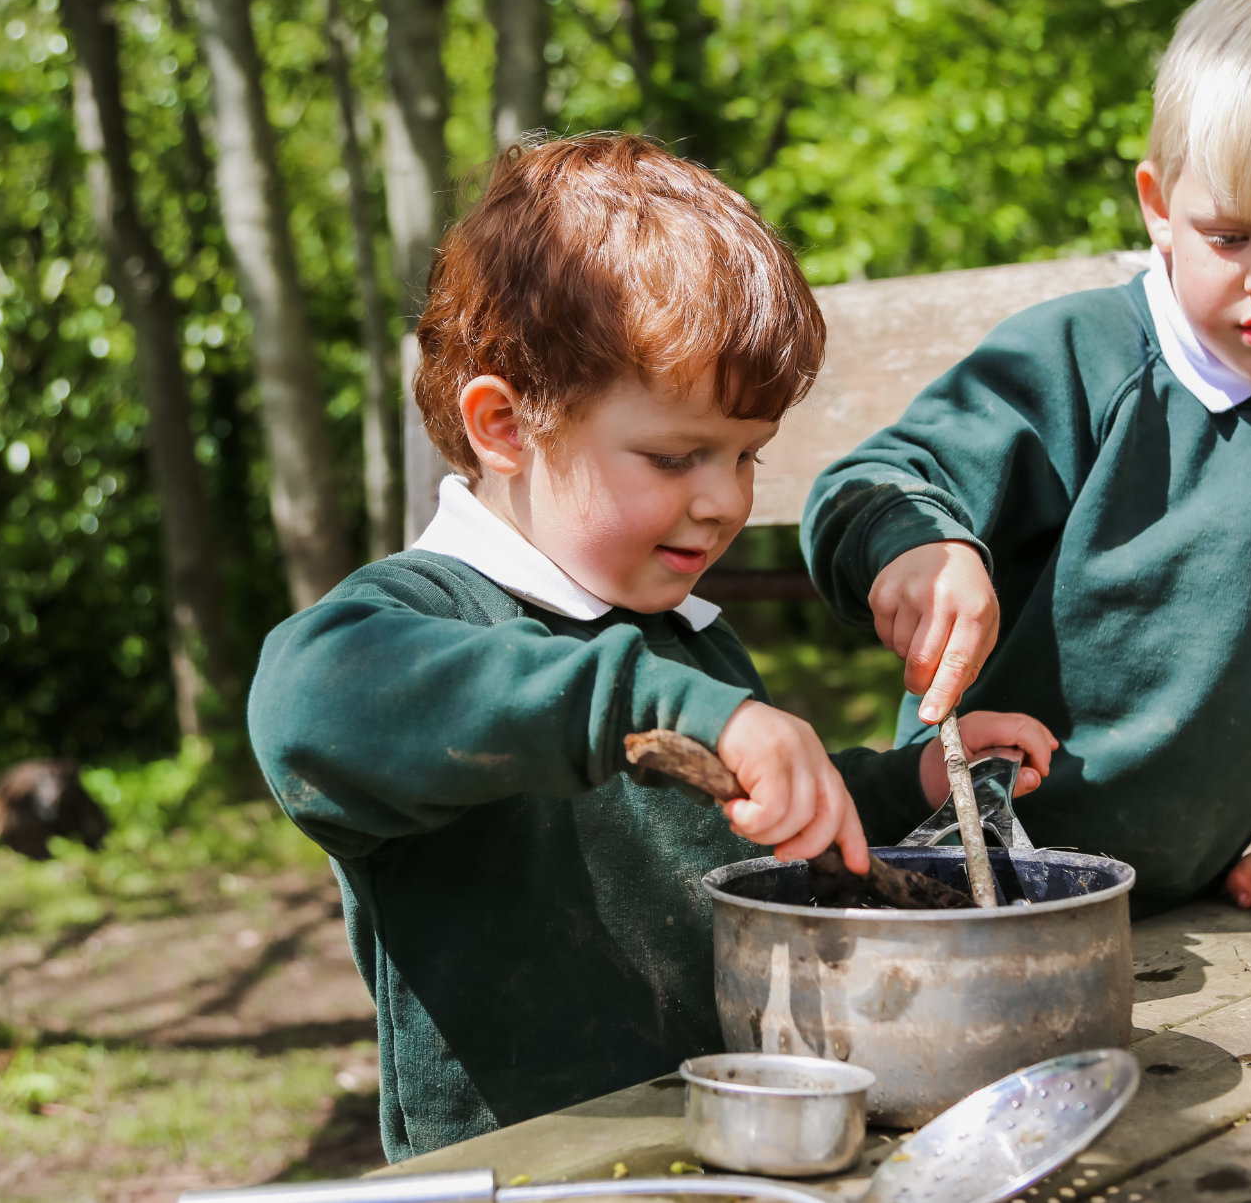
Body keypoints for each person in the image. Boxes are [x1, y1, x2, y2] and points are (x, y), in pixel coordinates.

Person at [247, 134, 1056, 1161]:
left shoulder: (680, 638)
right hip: (530, 1176)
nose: (721, 499)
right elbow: (303, 710)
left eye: (745, 455)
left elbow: (723, 829)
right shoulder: (427, 618)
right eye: (675, 455)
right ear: (505, 425)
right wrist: (662, 705)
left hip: (729, 1145)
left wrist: (909, 785)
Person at [803, 0, 1251, 929]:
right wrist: (916, 544)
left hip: (1200, 888)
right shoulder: (1079, 358)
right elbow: (874, 479)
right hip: (978, 873)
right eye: (1228, 236)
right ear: (1158, 206)